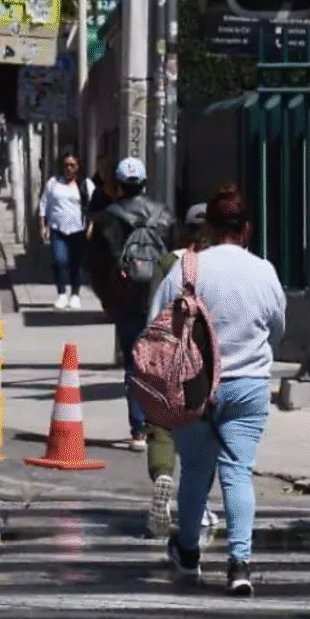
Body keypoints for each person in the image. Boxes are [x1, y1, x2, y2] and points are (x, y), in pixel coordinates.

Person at [150, 184, 286, 595]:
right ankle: (239, 564)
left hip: (195, 385)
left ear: (208, 226)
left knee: (195, 470)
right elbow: (277, 329)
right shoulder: (264, 272)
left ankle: (189, 553)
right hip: (248, 386)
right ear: (246, 229)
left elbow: (156, 322)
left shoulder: (187, 269)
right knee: (237, 471)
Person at [86, 157, 177, 451]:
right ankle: (159, 424)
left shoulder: (107, 218)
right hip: (160, 297)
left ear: (118, 185)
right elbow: (177, 257)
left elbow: (96, 267)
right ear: (145, 183)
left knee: (134, 363)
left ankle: (138, 430)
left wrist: (106, 301)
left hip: (125, 301)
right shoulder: (163, 215)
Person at [144, 202, 218, 536]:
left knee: (161, 422)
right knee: (204, 436)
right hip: (203, 363)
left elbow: (154, 310)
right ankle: (198, 505)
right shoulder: (218, 267)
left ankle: (162, 474)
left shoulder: (168, 263)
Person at [39, 151, 95, 310]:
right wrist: (42, 226)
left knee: (75, 264)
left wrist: (91, 227)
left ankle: (75, 294)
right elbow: (44, 204)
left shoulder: (86, 184)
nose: (69, 168)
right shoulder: (53, 183)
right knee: (60, 260)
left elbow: (93, 207)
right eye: (66, 165)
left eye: (72, 165)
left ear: (78, 167)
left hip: (78, 230)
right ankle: (62, 293)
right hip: (58, 230)